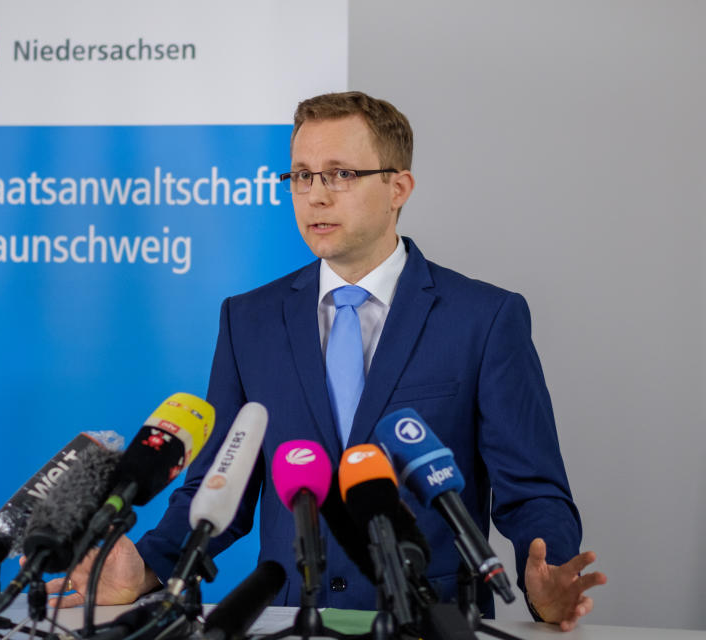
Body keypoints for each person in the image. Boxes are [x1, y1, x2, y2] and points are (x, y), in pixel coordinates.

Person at [45, 91, 606, 630]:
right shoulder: (249, 320)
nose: (315, 194)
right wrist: (145, 570)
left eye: (341, 174)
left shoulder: (484, 318)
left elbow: (531, 489)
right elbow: (220, 486)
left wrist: (547, 580)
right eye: (302, 175)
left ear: (398, 187)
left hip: (430, 619)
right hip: (292, 621)